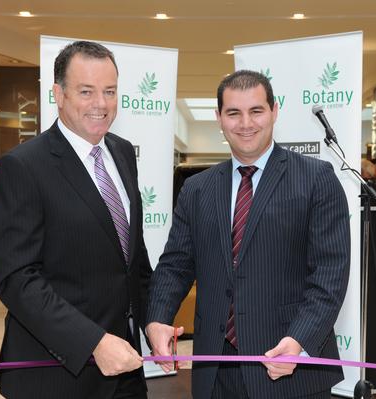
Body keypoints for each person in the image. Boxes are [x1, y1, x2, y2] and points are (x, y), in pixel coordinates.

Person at [147, 70, 351, 399]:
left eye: (256, 111)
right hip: (216, 371)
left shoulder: (316, 179)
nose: (246, 123)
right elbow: (176, 264)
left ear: (274, 111)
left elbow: (330, 274)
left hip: (290, 368)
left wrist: (299, 340)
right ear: (218, 118)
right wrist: (157, 319)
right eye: (233, 113)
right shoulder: (197, 188)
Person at [0, 40, 152, 398]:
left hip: (126, 369)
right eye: (86, 91)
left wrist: (154, 319)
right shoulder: (23, 167)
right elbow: (17, 279)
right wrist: (92, 342)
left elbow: (132, 259)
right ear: (58, 94)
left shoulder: (122, 153)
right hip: (58, 376)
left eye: (110, 91)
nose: (101, 104)